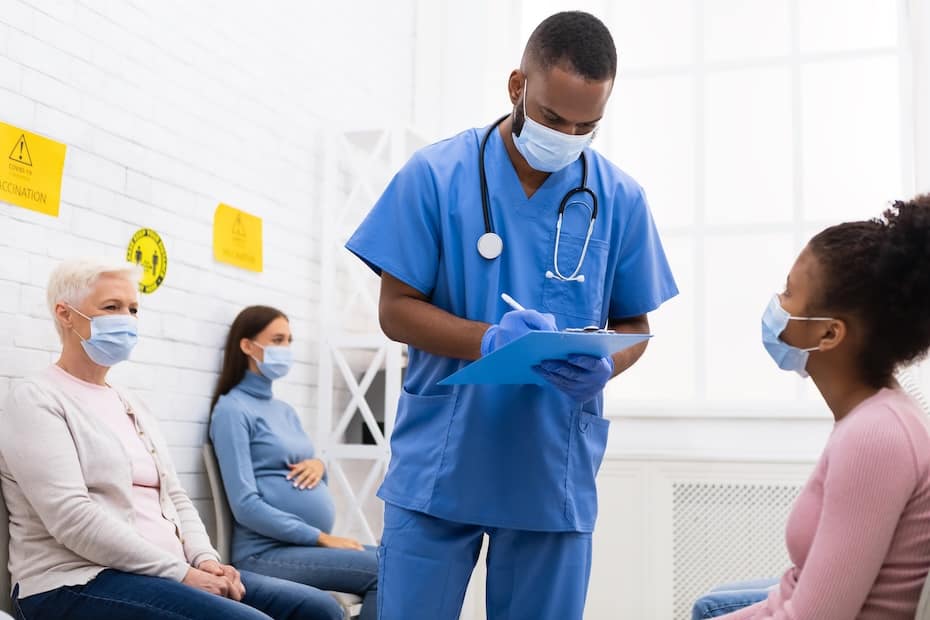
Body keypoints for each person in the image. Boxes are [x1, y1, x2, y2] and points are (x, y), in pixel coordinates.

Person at [346, 11, 678, 620]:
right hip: (442, 462)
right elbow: (396, 312)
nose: (568, 134)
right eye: (553, 118)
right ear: (516, 85)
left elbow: (635, 325)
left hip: (551, 469)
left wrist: (608, 367)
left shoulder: (620, 198)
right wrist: (491, 340)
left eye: (588, 125)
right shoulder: (435, 175)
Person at [0, 258, 342, 620]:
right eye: (111, 307)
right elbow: (72, 517)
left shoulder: (130, 403)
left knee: (319, 609)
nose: (128, 319)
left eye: (133, 309)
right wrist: (181, 573)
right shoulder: (36, 398)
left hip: (163, 573)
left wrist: (206, 561)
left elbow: (176, 497)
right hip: (74, 583)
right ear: (65, 314)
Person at [702, 195, 930, 619]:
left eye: (789, 292)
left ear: (829, 334)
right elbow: (792, 595)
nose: (776, 304)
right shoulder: (871, 417)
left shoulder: (877, 435)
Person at [209, 306, 378, 620]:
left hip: (304, 548)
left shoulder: (284, 410)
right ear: (247, 346)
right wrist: (321, 538)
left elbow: (305, 475)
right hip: (265, 554)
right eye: (277, 340)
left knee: (399, 562)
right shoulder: (232, 410)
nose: (286, 349)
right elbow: (245, 505)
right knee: (385, 569)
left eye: (289, 340)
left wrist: (319, 466)